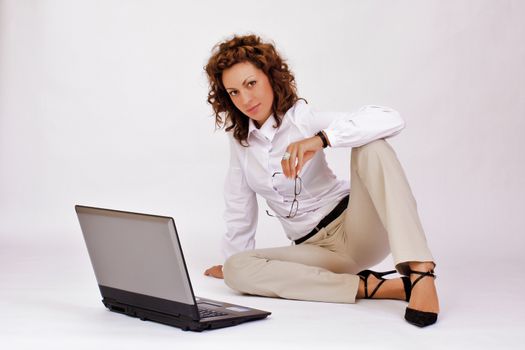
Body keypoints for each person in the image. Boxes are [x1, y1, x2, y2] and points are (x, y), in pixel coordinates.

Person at [202, 34, 440, 327]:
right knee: (237, 270)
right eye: (234, 92)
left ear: (270, 76)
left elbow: (390, 119)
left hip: (357, 228)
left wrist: (322, 139)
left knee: (372, 145)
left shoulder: (303, 119)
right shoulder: (241, 142)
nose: (246, 99)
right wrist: (231, 261)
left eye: (251, 83)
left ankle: (421, 272)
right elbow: (238, 203)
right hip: (315, 250)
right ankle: (376, 287)